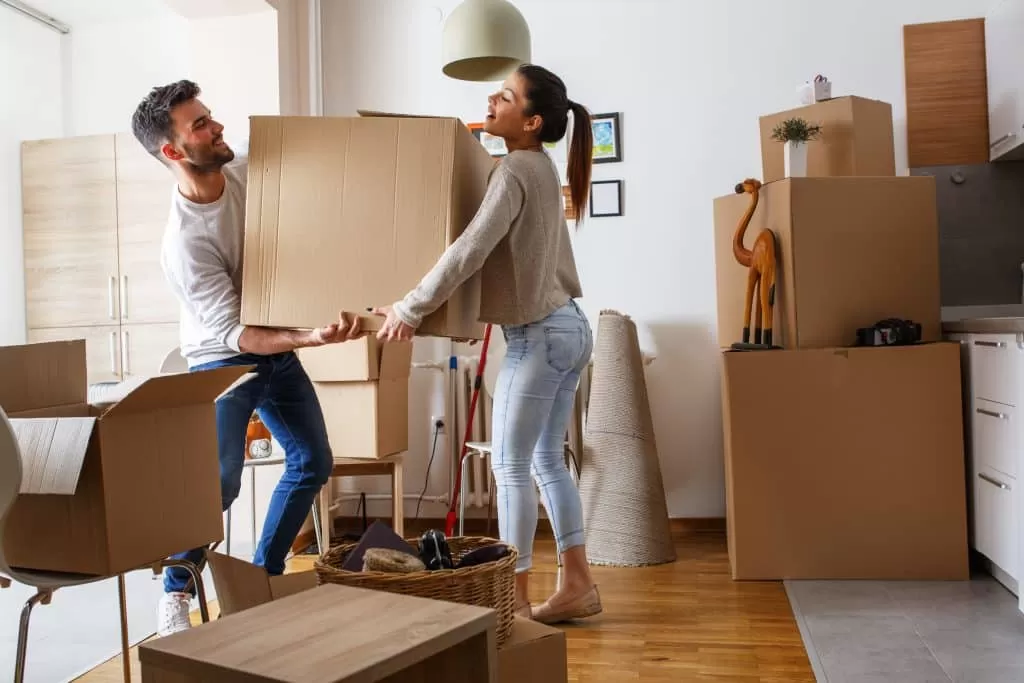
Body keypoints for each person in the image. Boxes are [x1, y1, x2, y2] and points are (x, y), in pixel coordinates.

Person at [131, 80, 362, 636]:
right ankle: (176, 592)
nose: (217, 128)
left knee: (312, 461)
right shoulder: (184, 243)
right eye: (200, 126)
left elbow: (312, 164)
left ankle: (263, 578)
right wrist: (309, 338)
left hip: (275, 347)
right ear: (173, 152)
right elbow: (238, 334)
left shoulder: (245, 171)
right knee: (220, 482)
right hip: (223, 360)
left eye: (211, 116)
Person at [373, 64, 600, 624]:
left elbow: (469, 249)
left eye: (505, 96)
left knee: (511, 467)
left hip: (541, 337)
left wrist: (409, 308)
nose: (491, 101)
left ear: (533, 119)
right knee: (547, 460)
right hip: (569, 328)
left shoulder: (516, 169)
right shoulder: (539, 166)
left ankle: (515, 603)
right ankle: (578, 586)